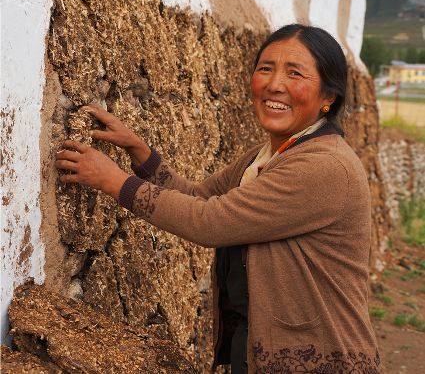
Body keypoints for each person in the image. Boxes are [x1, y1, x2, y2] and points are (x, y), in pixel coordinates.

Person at [56, 24, 380, 373]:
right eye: (266, 68)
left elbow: (210, 221)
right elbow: (198, 196)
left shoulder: (325, 166)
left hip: (323, 357)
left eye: (295, 73)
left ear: (328, 96)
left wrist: (115, 181)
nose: (275, 84)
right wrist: (141, 153)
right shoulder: (269, 156)